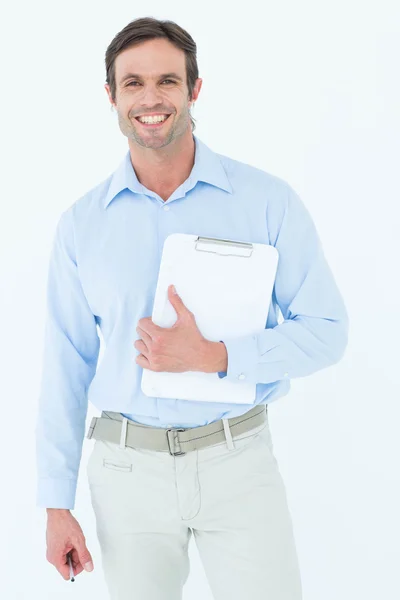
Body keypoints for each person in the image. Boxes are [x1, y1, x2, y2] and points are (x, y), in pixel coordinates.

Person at [35, 16, 349, 600]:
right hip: (127, 474)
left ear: (194, 89)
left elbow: (328, 331)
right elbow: (65, 366)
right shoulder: (82, 225)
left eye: (167, 81)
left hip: (239, 461)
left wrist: (219, 356)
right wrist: (56, 504)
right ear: (111, 96)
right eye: (132, 84)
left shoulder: (267, 202)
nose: (151, 99)